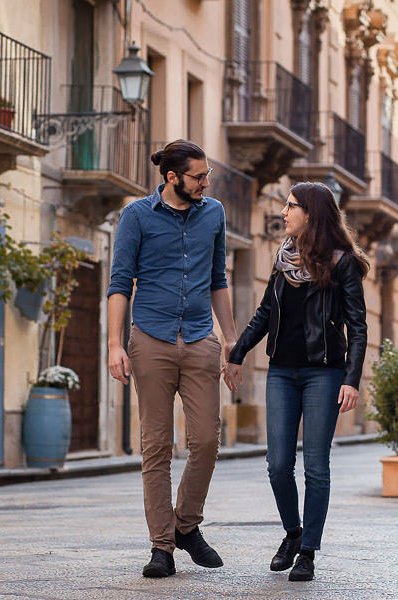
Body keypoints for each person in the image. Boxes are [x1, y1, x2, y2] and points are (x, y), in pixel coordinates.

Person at [107, 139, 240, 578]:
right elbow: (120, 282)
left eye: (207, 176)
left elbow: (218, 278)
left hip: (201, 339)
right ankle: (161, 546)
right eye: (199, 176)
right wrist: (114, 344)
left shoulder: (214, 213)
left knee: (205, 441)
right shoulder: (137, 216)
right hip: (151, 340)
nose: (206, 183)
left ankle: (186, 525)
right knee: (156, 446)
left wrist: (232, 340)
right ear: (172, 178)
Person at [225, 181, 369, 582]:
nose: (284, 212)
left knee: (316, 466)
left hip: (324, 372)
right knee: (276, 465)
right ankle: (292, 533)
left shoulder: (342, 262)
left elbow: (358, 326)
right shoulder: (282, 257)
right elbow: (265, 310)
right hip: (282, 372)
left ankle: (308, 552)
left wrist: (352, 379)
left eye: (291, 206)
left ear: (311, 212)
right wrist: (237, 353)